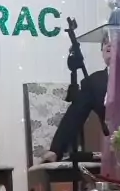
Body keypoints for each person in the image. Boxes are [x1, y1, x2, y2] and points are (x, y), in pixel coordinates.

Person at [42, 34, 111, 162]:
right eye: (105, 42)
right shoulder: (93, 82)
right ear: (102, 51)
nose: (109, 44)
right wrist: (55, 150)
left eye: (114, 40)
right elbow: (74, 116)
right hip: (114, 146)